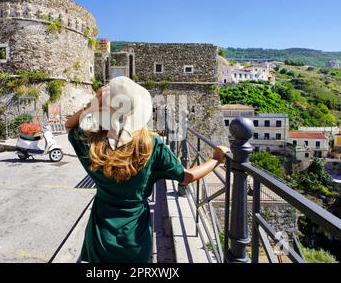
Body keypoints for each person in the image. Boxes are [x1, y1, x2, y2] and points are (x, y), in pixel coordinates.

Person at [65, 76, 230, 263]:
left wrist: (93, 104)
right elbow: (187, 177)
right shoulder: (152, 145)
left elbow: (69, 125)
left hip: (100, 232)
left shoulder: (92, 144)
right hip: (135, 234)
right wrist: (215, 159)